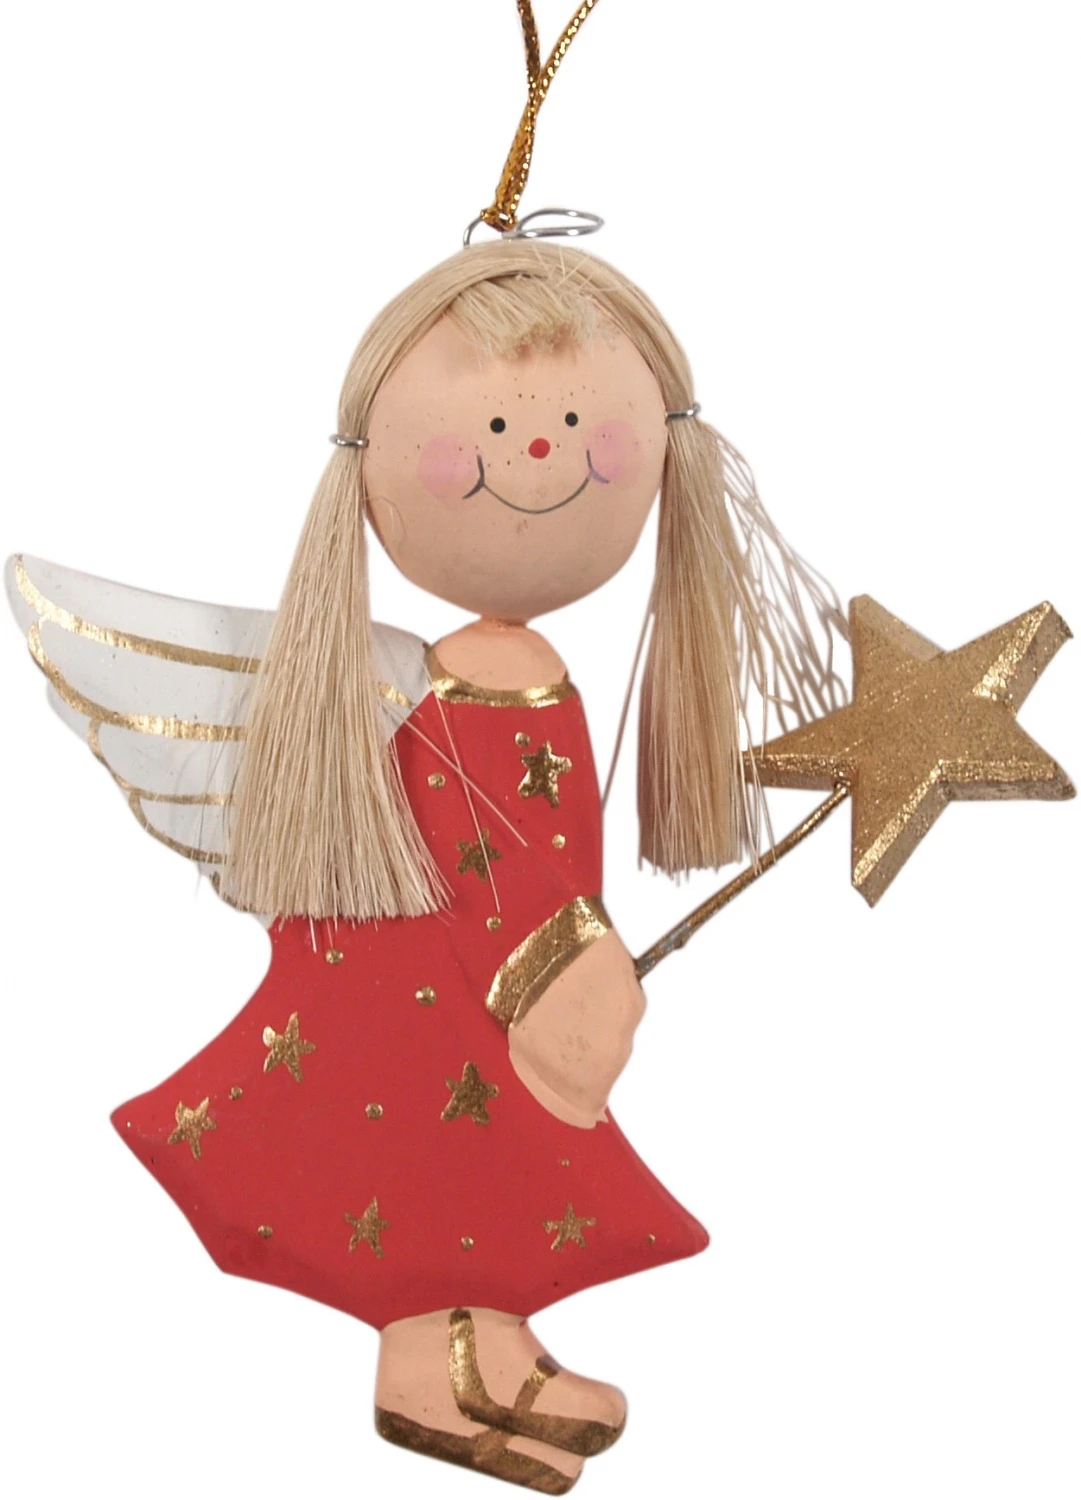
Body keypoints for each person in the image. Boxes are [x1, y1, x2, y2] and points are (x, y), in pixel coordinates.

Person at [7, 239, 844, 1493]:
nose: (541, 447)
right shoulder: (421, 696)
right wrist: (559, 972)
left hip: (490, 993)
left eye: (576, 422)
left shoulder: (526, 676)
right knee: (424, 1146)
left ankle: (483, 1347)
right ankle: (425, 1368)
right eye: (496, 425)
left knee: (483, 1163)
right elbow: (488, 864)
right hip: (431, 988)